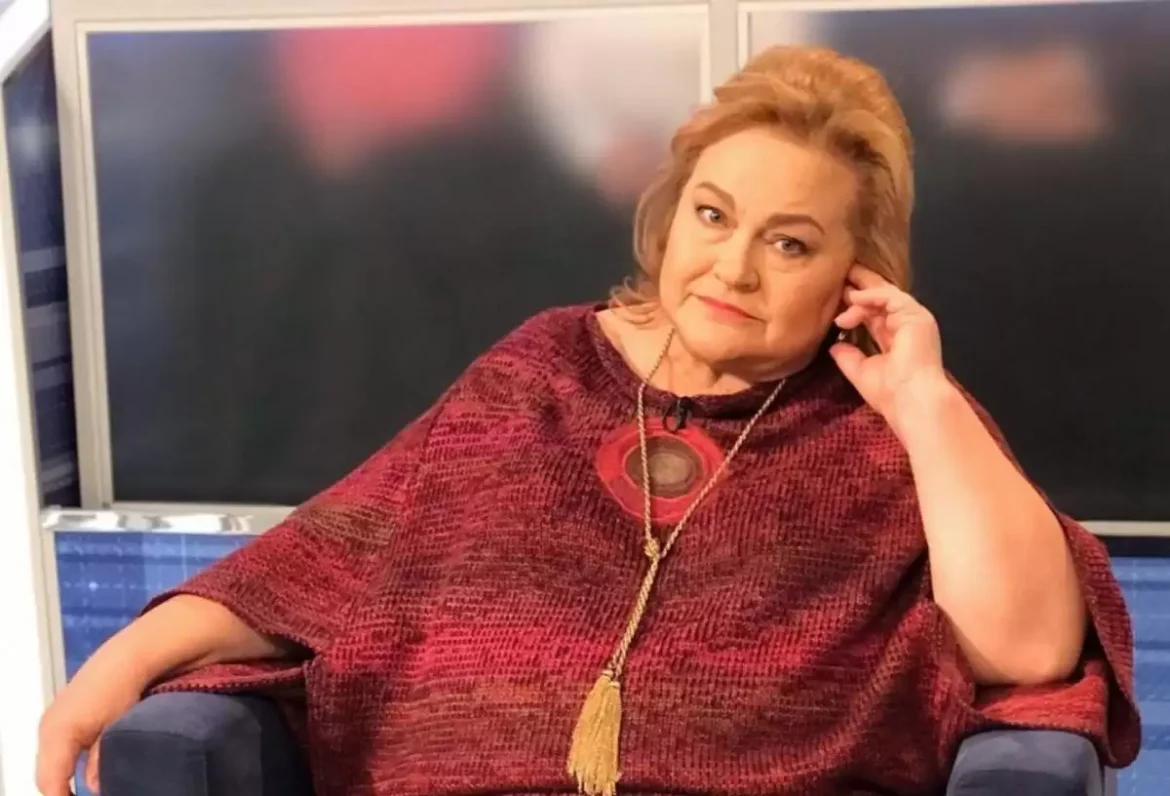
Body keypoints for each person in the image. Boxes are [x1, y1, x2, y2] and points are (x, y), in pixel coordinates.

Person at [38, 46, 1139, 796]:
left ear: (858, 276)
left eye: (790, 243)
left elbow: (1028, 647)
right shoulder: (541, 369)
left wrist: (924, 402)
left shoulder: (892, 422)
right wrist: (113, 667)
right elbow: (332, 558)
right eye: (714, 215)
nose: (734, 266)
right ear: (670, 217)